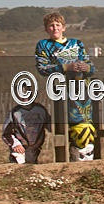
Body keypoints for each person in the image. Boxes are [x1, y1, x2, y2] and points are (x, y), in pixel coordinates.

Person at [35, 11, 96, 161]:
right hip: (61, 91)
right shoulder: (44, 45)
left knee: (85, 125)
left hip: (81, 90)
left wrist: (84, 68)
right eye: (51, 25)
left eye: (58, 25)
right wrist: (66, 67)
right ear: (46, 29)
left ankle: (83, 155)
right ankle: (73, 155)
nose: (55, 28)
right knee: (65, 125)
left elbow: (91, 67)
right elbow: (42, 68)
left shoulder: (77, 43)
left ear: (64, 27)